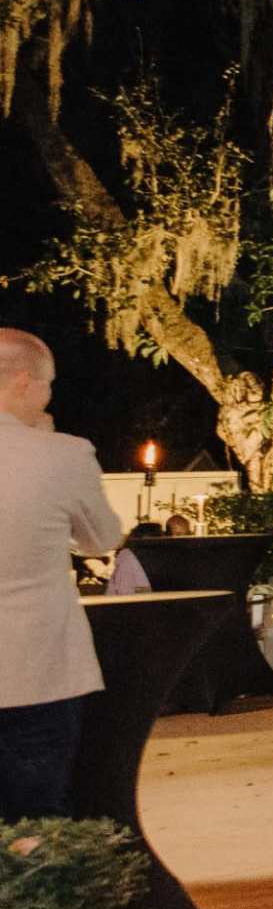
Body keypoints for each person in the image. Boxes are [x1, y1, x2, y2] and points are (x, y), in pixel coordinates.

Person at [0, 330, 125, 818]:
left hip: (38, 673)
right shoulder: (64, 455)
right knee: (36, 825)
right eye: (49, 385)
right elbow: (101, 539)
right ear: (25, 383)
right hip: (38, 672)